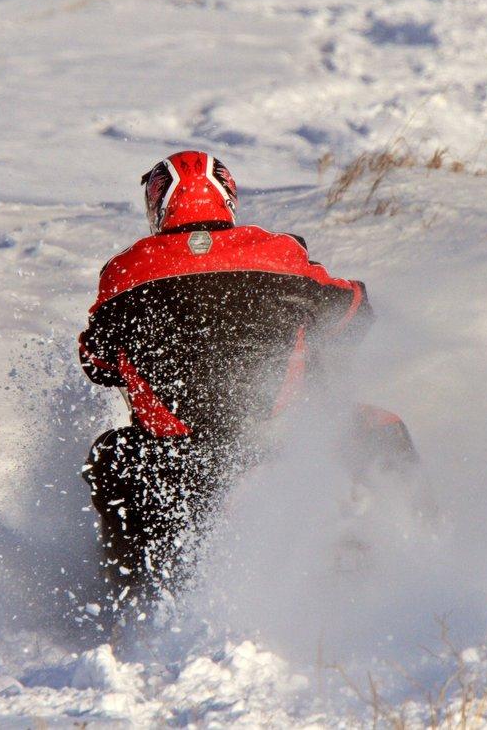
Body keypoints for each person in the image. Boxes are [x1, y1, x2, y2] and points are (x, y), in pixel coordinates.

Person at [78, 150, 379, 607]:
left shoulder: (124, 272)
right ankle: (417, 557)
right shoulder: (279, 253)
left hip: (171, 458)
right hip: (281, 440)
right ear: (227, 196)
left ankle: (128, 603)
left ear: (160, 203)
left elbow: (95, 363)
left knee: (112, 455)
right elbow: (356, 309)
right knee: (377, 428)